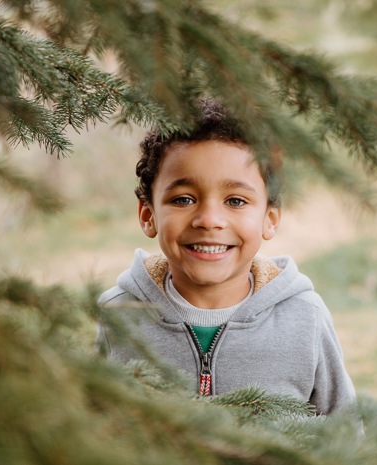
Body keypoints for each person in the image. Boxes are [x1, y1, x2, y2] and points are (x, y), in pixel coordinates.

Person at [97, 99, 356, 415]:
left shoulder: (305, 318)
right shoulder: (119, 314)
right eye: (183, 199)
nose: (208, 219)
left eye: (235, 201)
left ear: (269, 219)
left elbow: (344, 432)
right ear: (148, 215)